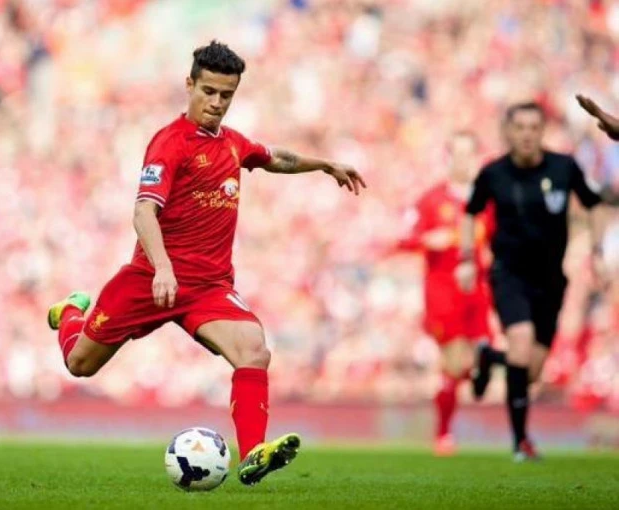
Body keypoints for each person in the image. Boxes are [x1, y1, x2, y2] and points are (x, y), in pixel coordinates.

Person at [46, 41, 365, 485]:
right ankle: (70, 312)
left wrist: (324, 164)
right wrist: (162, 267)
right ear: (190, 85)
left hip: (208, 287)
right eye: (209, 91)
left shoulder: (233, 144)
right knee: (80, 364)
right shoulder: (169, 143)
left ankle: (252, 454)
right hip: (151, 279)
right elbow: (143, 211)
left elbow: (276, 158)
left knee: (254, 350)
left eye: (226, 95)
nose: (216, 102)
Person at [457, 102, 617, 461]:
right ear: (508, 132)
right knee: (521, 339)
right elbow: (470, 212)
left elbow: (593, 204)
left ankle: (490, 357)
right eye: (520, 127)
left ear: (542, 131)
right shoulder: (493, 173)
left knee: (529, 371)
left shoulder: (564, 167)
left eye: (533, 127)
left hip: (550, 279)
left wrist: (596, 252)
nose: (527, 134)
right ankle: (521, 443)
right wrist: (466, 259)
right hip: (508, 274)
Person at [398, 131, 493, 456]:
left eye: (469, 154)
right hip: (443, 291)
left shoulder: (487, 200)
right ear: (449, 158)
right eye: (458, 154)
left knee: (480, 357)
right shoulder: (431, 200)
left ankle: (469, 378)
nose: (464, 161)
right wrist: (428, 240)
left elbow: (498, 238)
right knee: (453, 360)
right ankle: (443, 433)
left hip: (478, 289)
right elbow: (404, 238)